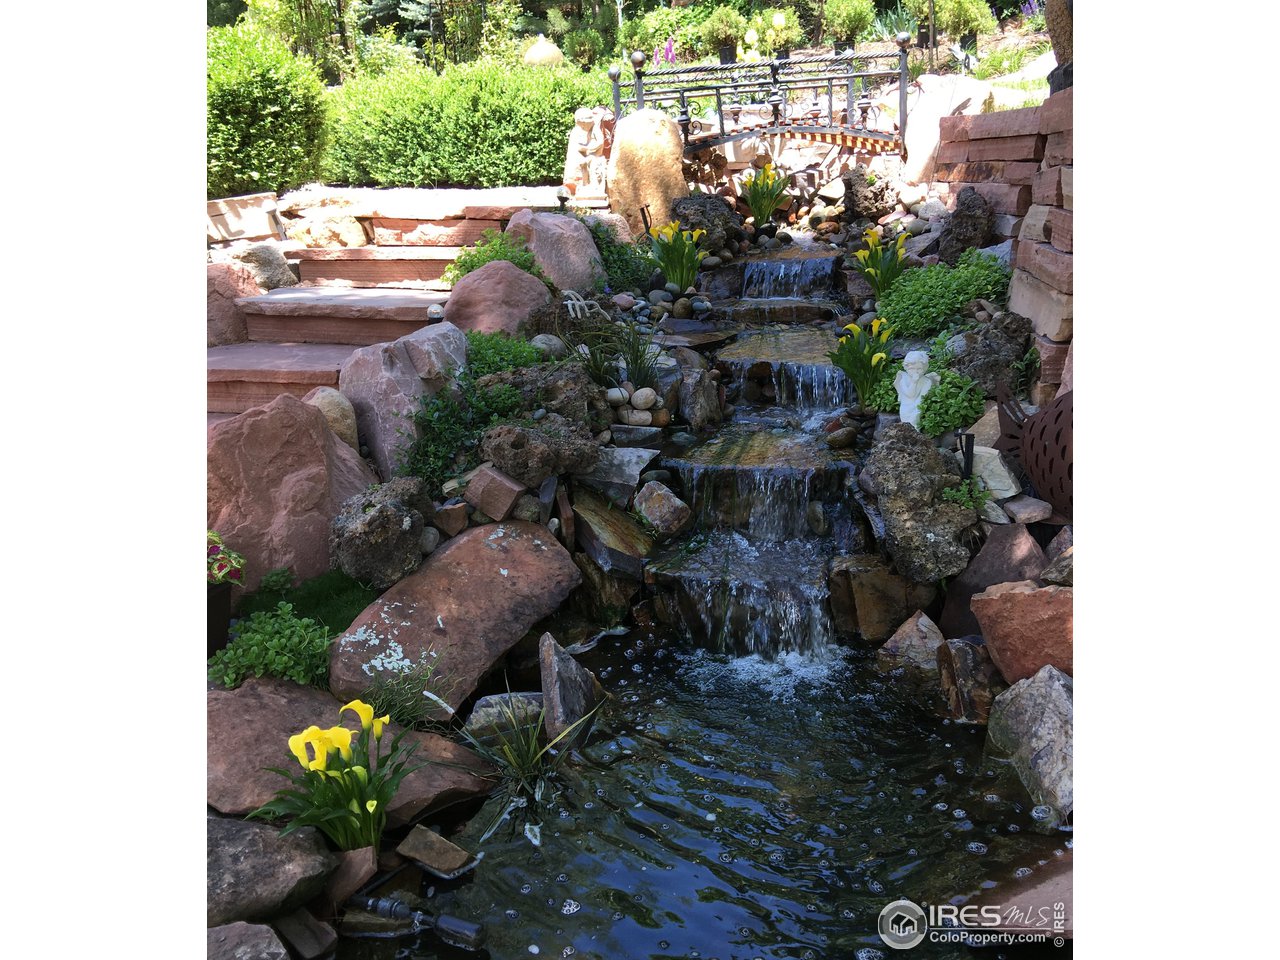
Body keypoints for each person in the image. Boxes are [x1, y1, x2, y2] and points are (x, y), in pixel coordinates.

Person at [894, 350, 939, 429]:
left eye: (919, 368)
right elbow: (910, 394)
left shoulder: (926, 381)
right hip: (905, 406)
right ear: (906, 368)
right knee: (906, 425)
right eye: (912, 369)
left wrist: (916, 411)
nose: (916, 371)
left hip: (918, 405)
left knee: (915, 422)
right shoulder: (903, 379)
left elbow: (922, 397)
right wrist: (914, 382)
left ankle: (916, 437)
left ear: (924, 368)